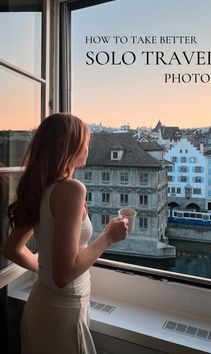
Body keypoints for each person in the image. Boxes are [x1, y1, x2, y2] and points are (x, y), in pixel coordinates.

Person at [4, 113, 129, 354]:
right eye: (86, 141)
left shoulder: (41, 186)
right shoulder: (71, 189)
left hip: (44, 305)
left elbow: (13, 249)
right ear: (70, 147)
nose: (88, 147)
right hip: (62, 313)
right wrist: (107, 237)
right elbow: (64, 276)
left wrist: (46, 266)